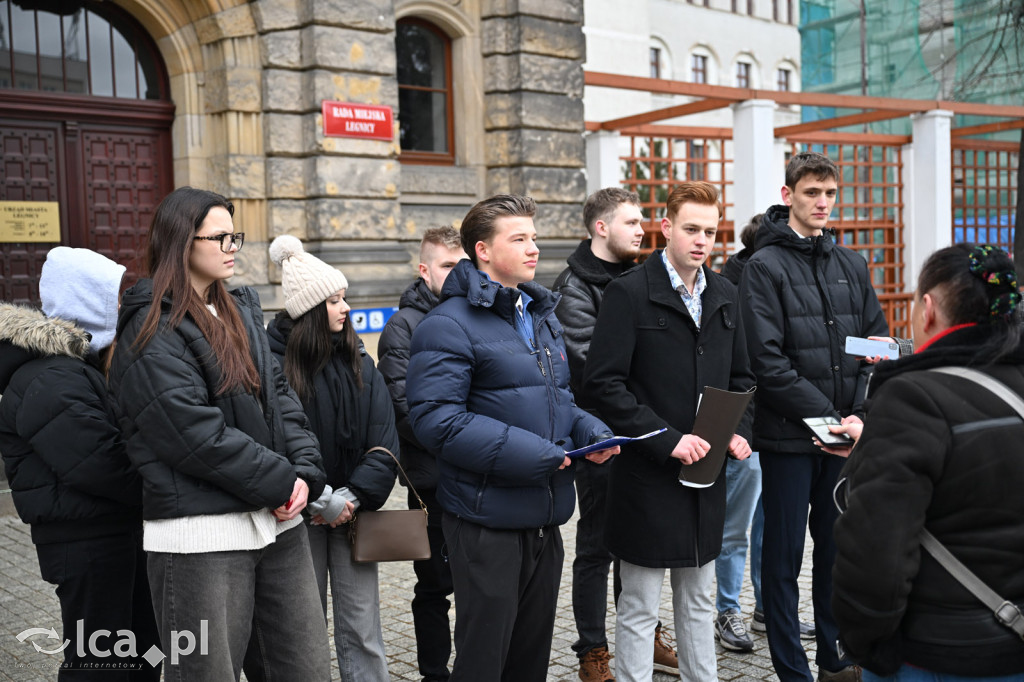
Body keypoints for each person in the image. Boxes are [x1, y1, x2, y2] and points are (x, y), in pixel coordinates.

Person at [108, 187, 330, 681]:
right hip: (201, 538)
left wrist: (305, 474)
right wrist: (281, 482)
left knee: (307, 669)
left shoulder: (240, 309)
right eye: (220, 237)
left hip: (279, 526)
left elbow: (281, 399)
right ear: (181, 242)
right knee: (207, 673)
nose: (233, 247)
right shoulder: (150, 328)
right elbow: (192, 434)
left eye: (235, 236)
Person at [406, 194, 620, 682]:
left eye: (534, 238)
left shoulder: (539, 314)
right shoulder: (447, 324)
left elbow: (557, 400)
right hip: (487, 519)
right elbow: (437, 420)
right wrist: (538, 455)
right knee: (484, 662)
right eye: (519, 238)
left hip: (545, 516)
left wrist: (592, 431)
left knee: (529, 661)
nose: (534, 248)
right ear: (482, 250)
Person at [582, 181, 755, 682]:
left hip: (706, 477)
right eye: (691, 229)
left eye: (710, 232)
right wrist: (666, 439)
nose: (702, 241)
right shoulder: (628, 293)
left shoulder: (726, 294)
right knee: (638, 605)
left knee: (699, 600)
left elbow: (743, 378)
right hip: (646, 478)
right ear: (666, 227)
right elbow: (603, 385)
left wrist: (738, 430)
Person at [831, 244, 1024, 681]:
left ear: (928, 308)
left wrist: (864, 645)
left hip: (936, 652)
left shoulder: (912, 398)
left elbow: (875, 549)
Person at [738, 151, 888, 682]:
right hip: (787, 439)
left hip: (845, 437)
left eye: (829, 193)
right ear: (788, 196)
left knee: (835, 555)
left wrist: (860, 413)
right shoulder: (763, 267)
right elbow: (766, 362)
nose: (822, 203)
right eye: (811, 193)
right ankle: (792, 670)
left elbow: (876, 346)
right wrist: (829, 418)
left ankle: (834, 659)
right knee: (783, 560)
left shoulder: (853, 264)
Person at [0, 247, 160, 681]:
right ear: (88, 301)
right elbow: (101, 464)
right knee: (98, 665)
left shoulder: (77, 368)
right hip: (87, 544)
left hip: (112, 534)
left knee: (143, 655)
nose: (122, 307)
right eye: (114, 296)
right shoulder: (49, 378)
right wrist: (166, 489)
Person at [553, 187, 678, 681]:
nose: (641, 230)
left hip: (644, 430)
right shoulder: (573, 289)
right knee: (597, 546)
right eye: (631, 222)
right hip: (601, 437)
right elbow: (591, 368)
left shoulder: (642, 279)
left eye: (641, 221)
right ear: (601, 227)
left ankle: (642, 638)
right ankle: (592, 651)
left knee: (641, 543)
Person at [267, 234, 399, 682]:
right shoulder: (272, 364)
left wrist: (353, 498)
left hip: (354, 513)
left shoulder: (359, 358)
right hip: (296, 515)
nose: (346, 308)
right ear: (309, 310)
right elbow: (275, 438)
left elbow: (384, 436)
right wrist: (320, 498)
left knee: (363, 628)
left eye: (344, 297)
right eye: (334, 301)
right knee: (301, 630)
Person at [716, 215, 817, 652]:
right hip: (745, 427)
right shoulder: (732, 286)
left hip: (778, 429)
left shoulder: (782, 280)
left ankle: (765, 608)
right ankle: (727, 609)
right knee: (734, 528)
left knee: (768, 527)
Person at [377, 225, 467, 682]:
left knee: (477, 585)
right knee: (434, 586)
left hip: (478, 475)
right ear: (424, 270)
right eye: (448, 266)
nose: (457, 274)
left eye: (463, 265)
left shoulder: (477, 314)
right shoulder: (402, 327)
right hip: (431, 481)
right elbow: (405, 409)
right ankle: (435, 673)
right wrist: (466, 442)